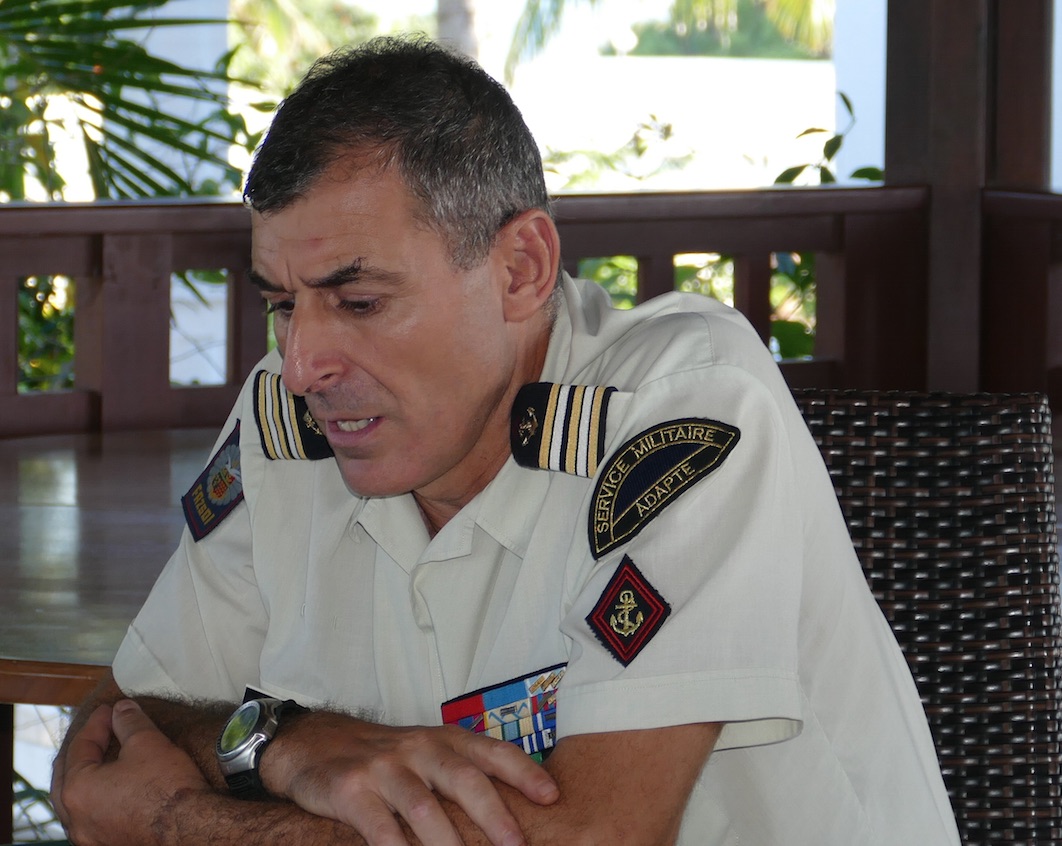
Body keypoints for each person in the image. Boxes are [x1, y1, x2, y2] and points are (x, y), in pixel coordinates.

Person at [51, 35, 961, 846]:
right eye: (284, 304)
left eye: (359, 302)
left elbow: (596, 836)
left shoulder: (681, 413)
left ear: (521, 269)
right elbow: (111, 730)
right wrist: (288, 743)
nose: (301, 367)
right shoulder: (284, 432)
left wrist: (182, 823)